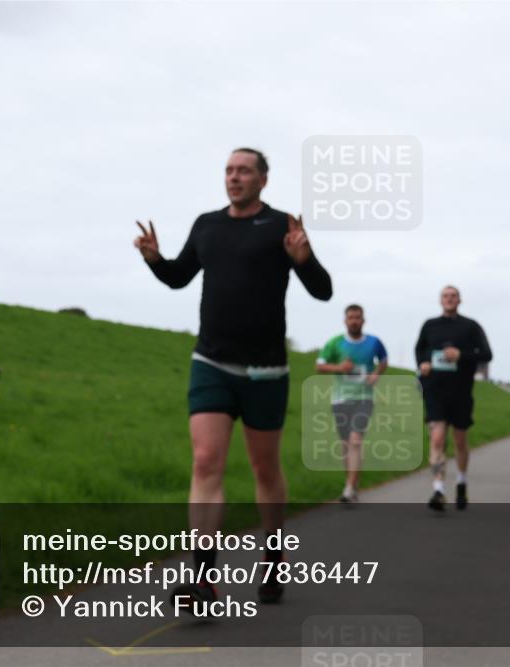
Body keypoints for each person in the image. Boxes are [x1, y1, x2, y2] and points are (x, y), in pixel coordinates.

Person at [134, 147, 332, 607]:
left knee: (265, 468)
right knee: (206, 461)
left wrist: (303, 258)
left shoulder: (283, 226)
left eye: (244, 170)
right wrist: (154, 259)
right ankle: (203, 575)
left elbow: (323, 292)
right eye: (228, 170)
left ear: (263, 180)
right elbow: (179, 278)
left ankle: (274, 550)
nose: (234, 177)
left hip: (266, 370)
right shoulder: (207, 225)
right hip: (212, 362)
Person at [415, 286, 492, 511]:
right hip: (435, 390)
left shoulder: (470, 326)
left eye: (453, 296)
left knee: (460, 440)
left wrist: (462, 355)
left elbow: (486, 354)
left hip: (460, 391)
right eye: (445, 296)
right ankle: (438, 489)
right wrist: (423, 365)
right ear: (440, 300)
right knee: (437, 438)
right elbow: (419, 351)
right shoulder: (430, 325)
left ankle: (461, 481)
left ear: (459, 300)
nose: (449, 299)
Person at [316, 304, 388, 504]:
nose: (354, 321)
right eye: (351, 317)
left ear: (363, 320)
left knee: (355, 440)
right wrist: (339, 367)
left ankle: (348, 488)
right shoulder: (335, 343)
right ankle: (352, 483)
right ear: (345, 321)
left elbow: (383, 360)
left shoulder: (374, 342)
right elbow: (319, 366)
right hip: (340, 399)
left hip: (364, 399)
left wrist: (376, 374)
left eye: (358, 317)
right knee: (346, 445)